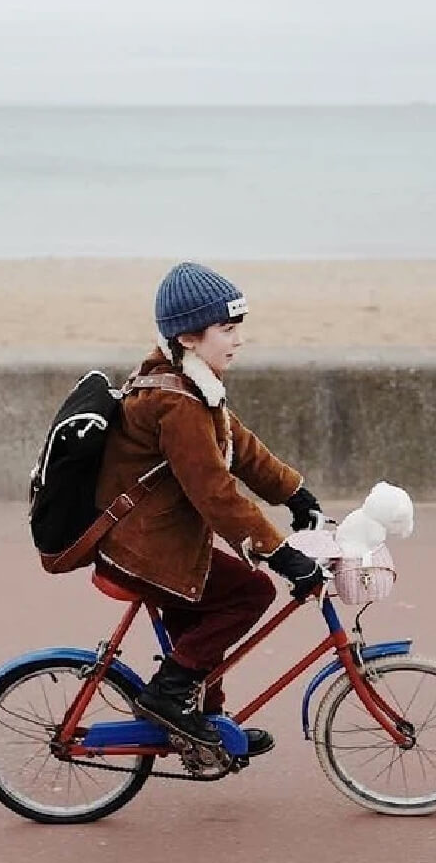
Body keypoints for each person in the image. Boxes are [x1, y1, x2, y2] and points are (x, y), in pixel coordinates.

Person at [94, 261, 326, 755]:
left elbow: (238, 445)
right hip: (147, 551)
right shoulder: (176, 402)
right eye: (227, 327)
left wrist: (293, 492)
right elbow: (214, 492)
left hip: (156, 541)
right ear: (189, 337)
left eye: (239, 325)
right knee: (250, 593)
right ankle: (168, 697)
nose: (238, 339)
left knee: (202, 617)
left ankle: (205, 726)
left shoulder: (190, 383)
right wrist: (281, 555)